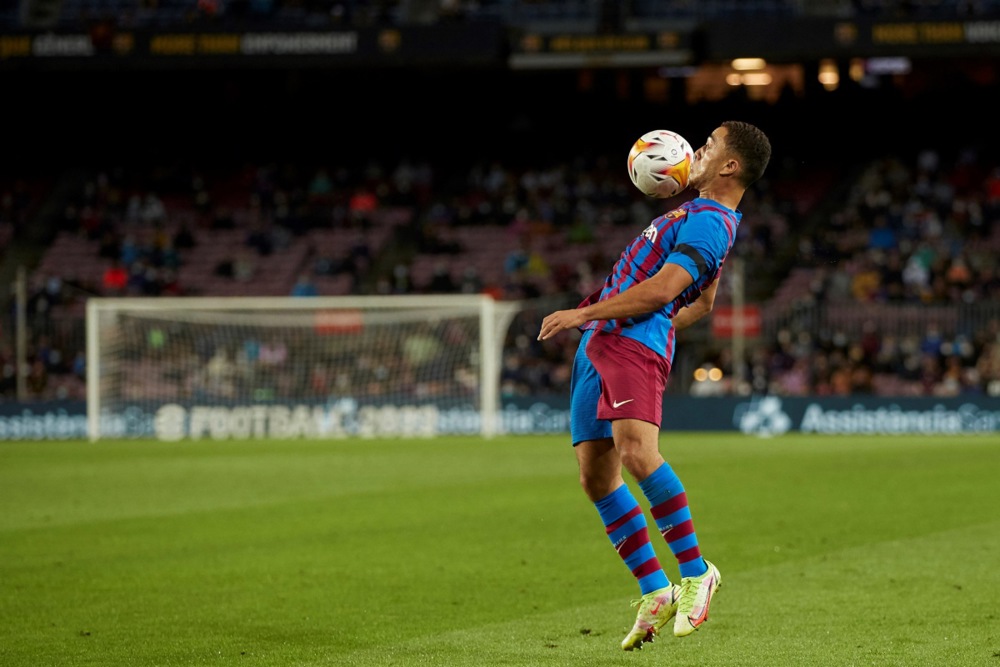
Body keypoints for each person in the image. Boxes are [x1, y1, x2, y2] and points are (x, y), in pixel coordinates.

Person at [537, 120, 771, 650]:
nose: (697, 150)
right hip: (602, 343)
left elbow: (666, 289)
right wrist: (628, 322)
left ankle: (697, 573)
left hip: (626, 341)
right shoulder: (693, 212)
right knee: (596, 477)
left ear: (730, 166)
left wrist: (593, 314)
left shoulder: (713, 221)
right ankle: (656, 590)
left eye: (709, 145)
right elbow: (704, 303)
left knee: (638, 453)